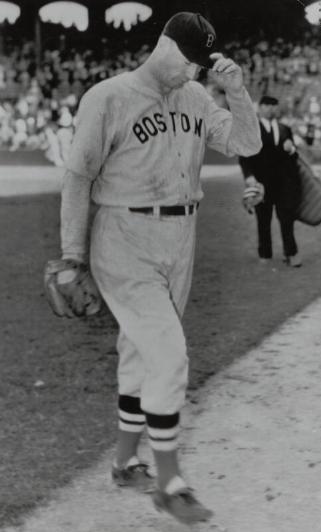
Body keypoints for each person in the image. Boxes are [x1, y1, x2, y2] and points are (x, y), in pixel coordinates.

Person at [59, 11, 261, 524]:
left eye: (201, 65)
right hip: (123, 235)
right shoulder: (108, 97)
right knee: (169, 353)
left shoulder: (195, 97)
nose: (195, 73)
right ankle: (169, 483)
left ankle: (126, 463)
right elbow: (78, 178)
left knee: (141, 350)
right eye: (191, 62)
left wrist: (236, 93)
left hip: (180, 236)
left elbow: (246, 144)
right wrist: (71, 256)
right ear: (166, 45)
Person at [239, 95, 302, 267]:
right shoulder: (251, 129)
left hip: (284, 184)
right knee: (263, 221)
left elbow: (294, 156)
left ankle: (291, 253)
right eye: (267, 105)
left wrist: (292, 149)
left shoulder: (285, 129)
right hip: (261, 183)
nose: (271, 109)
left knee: (287, 220)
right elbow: (244, 156)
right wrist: (249, 176)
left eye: (274, 106)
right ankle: (265, 254)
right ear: (260, 108)